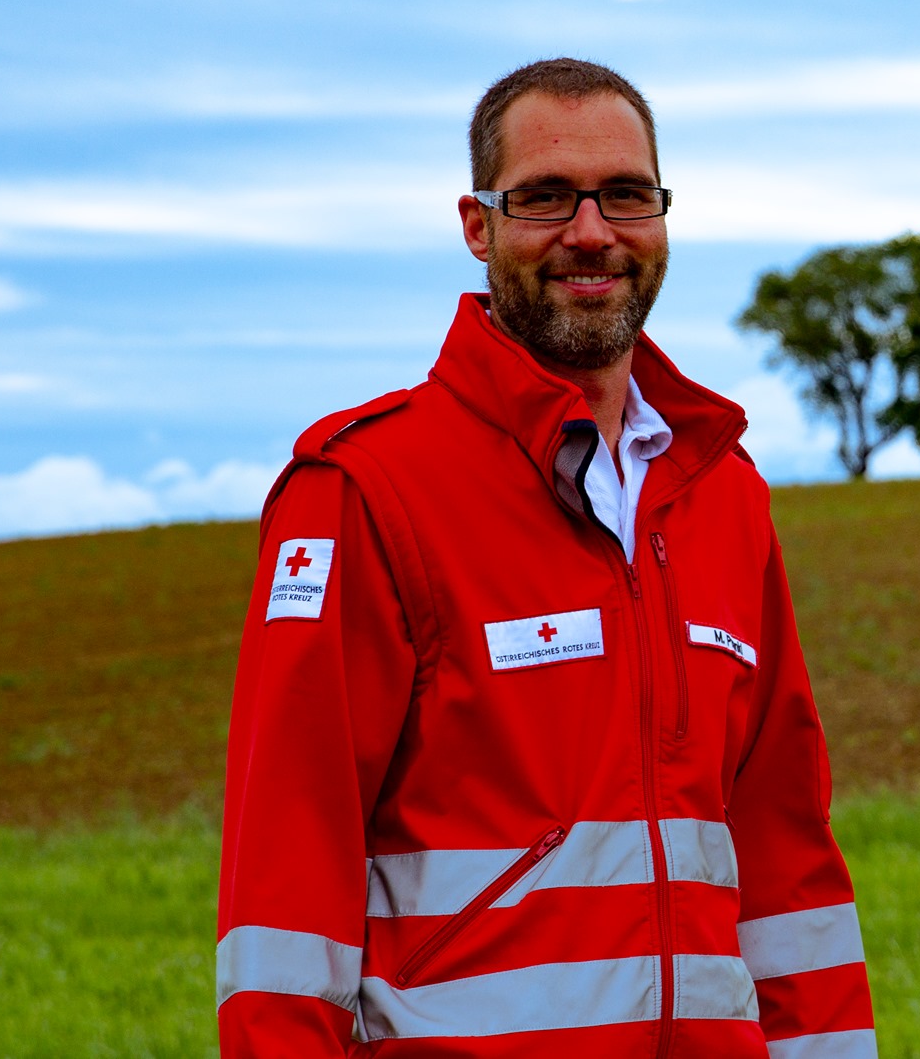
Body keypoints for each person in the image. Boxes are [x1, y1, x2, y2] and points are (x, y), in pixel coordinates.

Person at [216, 58, 875, 1058]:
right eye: (543, 198)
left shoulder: (721, 490)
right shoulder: (361, 488)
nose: (590, 231)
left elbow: (785, 855)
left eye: (624, 194)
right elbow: (286, 883)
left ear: (661, 214)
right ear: (477, 226)